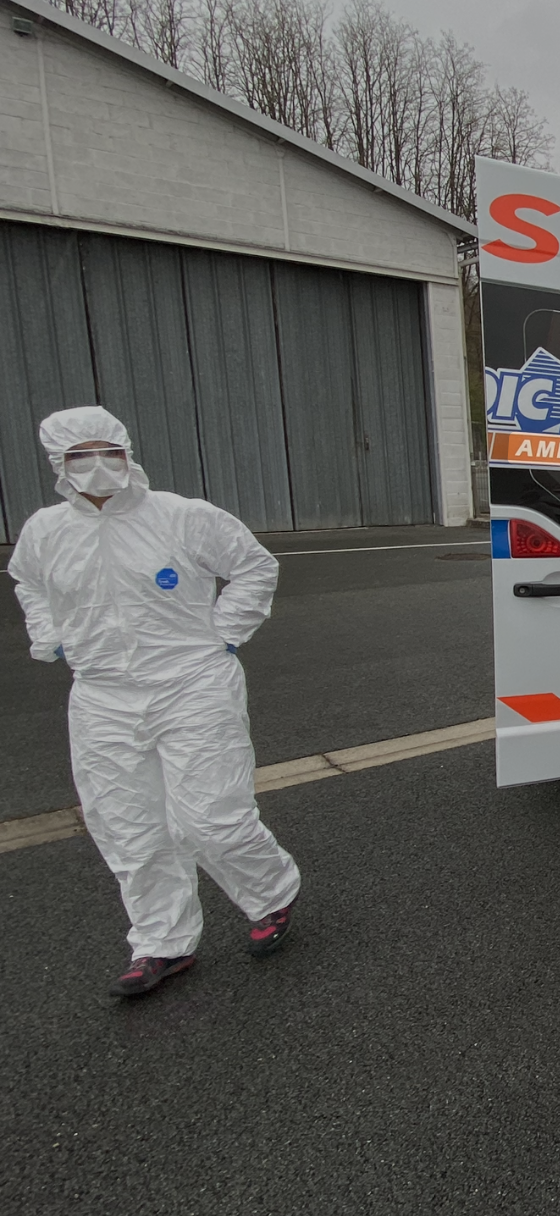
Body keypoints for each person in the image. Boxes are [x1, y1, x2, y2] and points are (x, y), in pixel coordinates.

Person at [8, 407, 300, 998]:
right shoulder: (45, 531)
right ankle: (161, 942)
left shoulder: (182, 517)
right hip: (101, 694)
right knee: (127, 826)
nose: (96, 465)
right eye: (80, 455)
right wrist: (50, 635)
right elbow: (28, 582)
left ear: (126, 452)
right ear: (58, 465)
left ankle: (270, 896)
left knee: (209, 818)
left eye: (106, 450)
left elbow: (253, 568)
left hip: (191, 682)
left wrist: (223, 633)